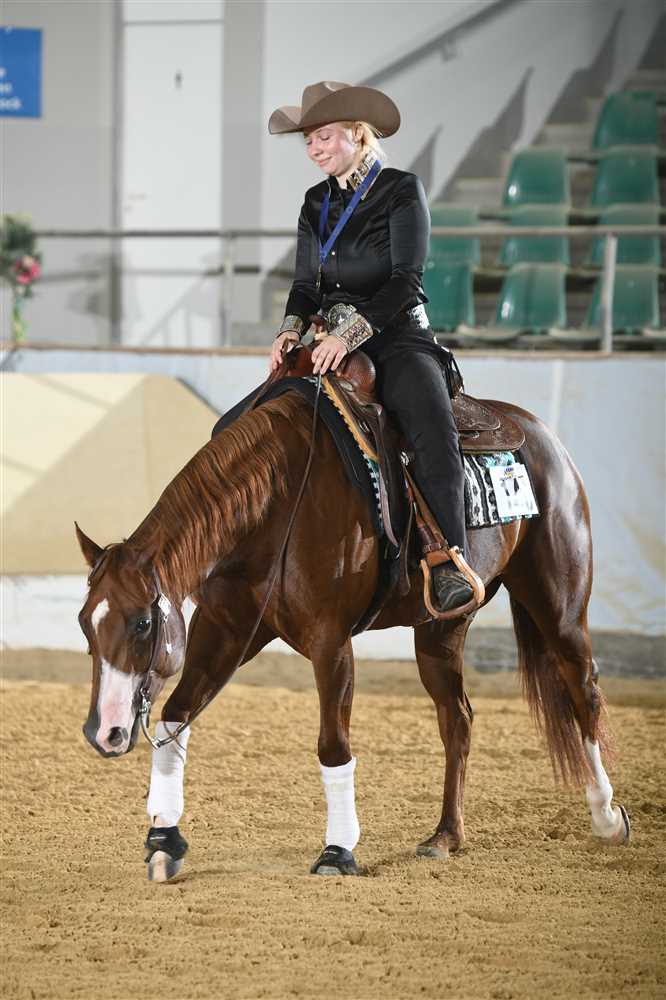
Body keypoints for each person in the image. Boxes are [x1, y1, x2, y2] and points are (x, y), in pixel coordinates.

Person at [268, 80, 474, 614]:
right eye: (309, 141)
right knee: (253, 420)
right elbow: (305, 284)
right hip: (328, 341)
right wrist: (289, 330)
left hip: (398, 335)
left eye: (324, 137)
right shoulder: (315, 203)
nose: (314, 150)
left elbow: (406, 280)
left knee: (432, 430)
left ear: (358, 134)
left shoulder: (401, 190)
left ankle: (448, 558)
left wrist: (348, 334)